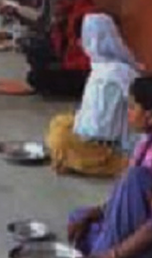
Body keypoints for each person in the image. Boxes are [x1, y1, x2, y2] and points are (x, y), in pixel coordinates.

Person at [61, 76, 152, 258]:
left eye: (132, 107)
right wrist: (97, 211)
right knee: (80, 218)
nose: (128, 113)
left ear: (151, 115)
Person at [46, 13, 139, 177]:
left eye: (86, 38)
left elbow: (100, 127)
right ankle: (71, 157)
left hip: (107, 145)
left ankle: (101, 163)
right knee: (59, 123)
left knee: (60, 139)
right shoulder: (101, 67)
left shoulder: (116, 73)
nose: (82, 43)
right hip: (92, 133)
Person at [25, 0, 93, 97]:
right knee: (34, 50)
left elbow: (86, 59)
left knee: (36, 77)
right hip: (71, 62)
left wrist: (62, 66)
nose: (53, 6)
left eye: (55, 2)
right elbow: (58, 46)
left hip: (84, 74)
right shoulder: (69, 14)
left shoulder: (83, 18)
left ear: (63, 0)